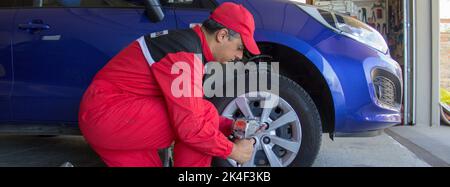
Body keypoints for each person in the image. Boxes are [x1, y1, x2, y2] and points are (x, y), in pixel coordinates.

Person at [78, 2, 261, 167]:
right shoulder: (185, 55)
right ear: (222, 35)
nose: (238, 56)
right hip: (109, 115)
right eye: (240, 47)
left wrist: (231, 125)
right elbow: (191, 126)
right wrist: (233, 151)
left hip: (109, 120)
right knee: (204, 115)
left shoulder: (186, 45)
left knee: (201, 116)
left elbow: (188, 110)